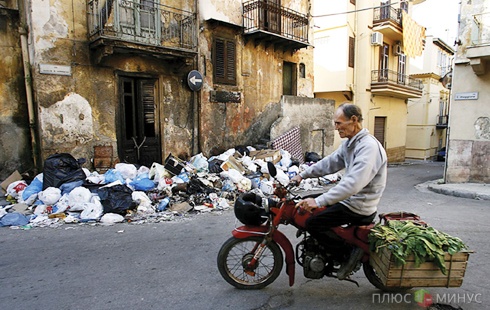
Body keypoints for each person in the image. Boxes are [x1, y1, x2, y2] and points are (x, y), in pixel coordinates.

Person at [291, 103, 387, 280]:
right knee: (305, 204)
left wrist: (319, 201)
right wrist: (302, 175)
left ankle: (348, 255)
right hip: (350, 200)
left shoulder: (368, 147)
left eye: (339, 123)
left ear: (354, 120)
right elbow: (330, 163)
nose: (336, 128)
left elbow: (353, 184)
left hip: (358, 206)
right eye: (335, 124)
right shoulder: (351, 143)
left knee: (313, 222)